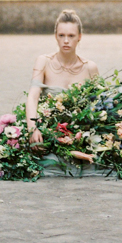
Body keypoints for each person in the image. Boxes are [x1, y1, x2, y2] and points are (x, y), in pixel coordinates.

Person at [26, 9, 98, 152]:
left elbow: (98, 105)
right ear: (55, 36)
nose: (66, 41)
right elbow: (33, 97)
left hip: (79, 134)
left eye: (71, 36)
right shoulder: (43, 62)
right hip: (48, 131)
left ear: (79, 37)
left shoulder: (90, 67)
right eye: (61, 35)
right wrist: (33, 129)